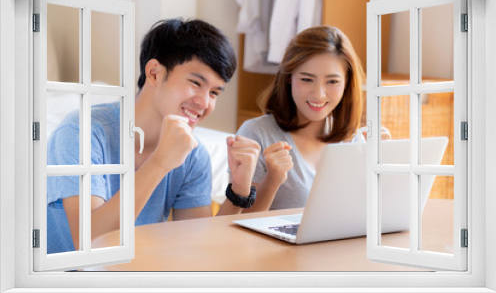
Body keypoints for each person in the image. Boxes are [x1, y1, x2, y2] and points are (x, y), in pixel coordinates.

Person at [47, 18, 260, 254]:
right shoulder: (81, 132)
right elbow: (90, 241)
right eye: (195, 83)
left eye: (214, 92)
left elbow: (197, 248)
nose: (204, 102)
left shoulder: (193, 154)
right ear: (154, 73)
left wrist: (238, 192)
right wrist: (160, 162)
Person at [237, 25, 388, 212]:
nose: (319, 94)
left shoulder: (352, 140)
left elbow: (365, 213)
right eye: (307, 79)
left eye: (332, 81)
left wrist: (382, 163)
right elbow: (239, 224)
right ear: (289, 77)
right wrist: (272, 181)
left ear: (347, 83)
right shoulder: (257, 134)